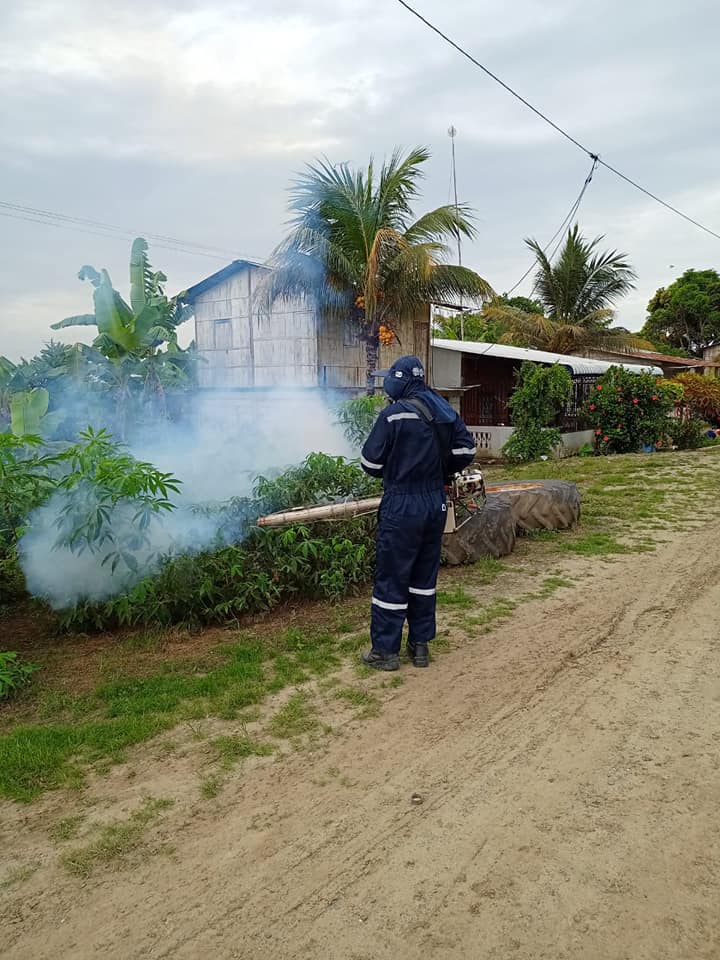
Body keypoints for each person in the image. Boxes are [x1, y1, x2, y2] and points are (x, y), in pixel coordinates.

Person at [359, 355, 477, 671]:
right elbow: (467, 450)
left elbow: (370, 463)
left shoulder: (393, 415)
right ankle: (420, 647)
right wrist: (440, 469)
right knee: (423, 578)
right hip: (435, 503)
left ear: (399, 380)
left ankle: (385, 651)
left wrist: (399, 467)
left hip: (402, 504)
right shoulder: (443, 410)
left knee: (392, 577)